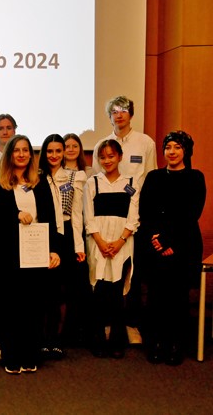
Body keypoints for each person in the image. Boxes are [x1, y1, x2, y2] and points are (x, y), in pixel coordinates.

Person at [0, 134, 61, 374]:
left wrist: (54, 250)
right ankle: (11, 355)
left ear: (31, 155)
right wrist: (16, 215)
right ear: (10, 155)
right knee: (12, 307)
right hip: (9, 255)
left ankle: (31, 355)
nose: (21, 154)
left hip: (36, 253)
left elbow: (50, 218)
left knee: (34, 306)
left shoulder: (41, 183)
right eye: (16, 150)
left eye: (25, 150)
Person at [92, 96, 156, 345]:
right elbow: (98, 181)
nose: (119, 115)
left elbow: (151, 178)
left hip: (135, 215)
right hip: (107, 216)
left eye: (123, 110)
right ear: (109, 116)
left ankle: (130, 324)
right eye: (114, 111)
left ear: (131, 114)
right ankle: (108, 325)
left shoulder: (145, 142)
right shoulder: (101, 144)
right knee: (106, 274)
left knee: (133, 271)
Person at [139, 131, 206, 365]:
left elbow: (191, 213)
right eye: (168, 147)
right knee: (156, 297)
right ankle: (156, 343)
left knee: (178, 298)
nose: (172, 152)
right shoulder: (154, 177)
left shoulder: (195, 178)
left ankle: (176, 345)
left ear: (186, 151)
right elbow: (145, 211)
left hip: (183, 246)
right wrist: (157, 240)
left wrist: (169, 241)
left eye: (177, 147)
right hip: (155, 245)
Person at [83, 139, 140, 359]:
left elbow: (133, 217)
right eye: (102, 157)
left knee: (117, 293)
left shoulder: (130, 183)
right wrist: (100, 241)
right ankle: (97, 338)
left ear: (120, 157)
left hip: (122, 244)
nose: (107, 161)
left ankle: (117, 340)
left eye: (111, 156)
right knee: (99, 291)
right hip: (98, 244)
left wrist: (120, 241)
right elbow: (89, 217)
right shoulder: (92, 183)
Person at [37, 134, 87, 358]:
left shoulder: (73, 177)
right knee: (44, 290)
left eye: (58, 151)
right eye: (50, 151)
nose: (54, 155)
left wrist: (78, 246)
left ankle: (56, 339)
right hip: (42, 235)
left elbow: (76, 214)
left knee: (60, 291)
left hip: (65, 236)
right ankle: (41, 339)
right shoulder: (36, 177)